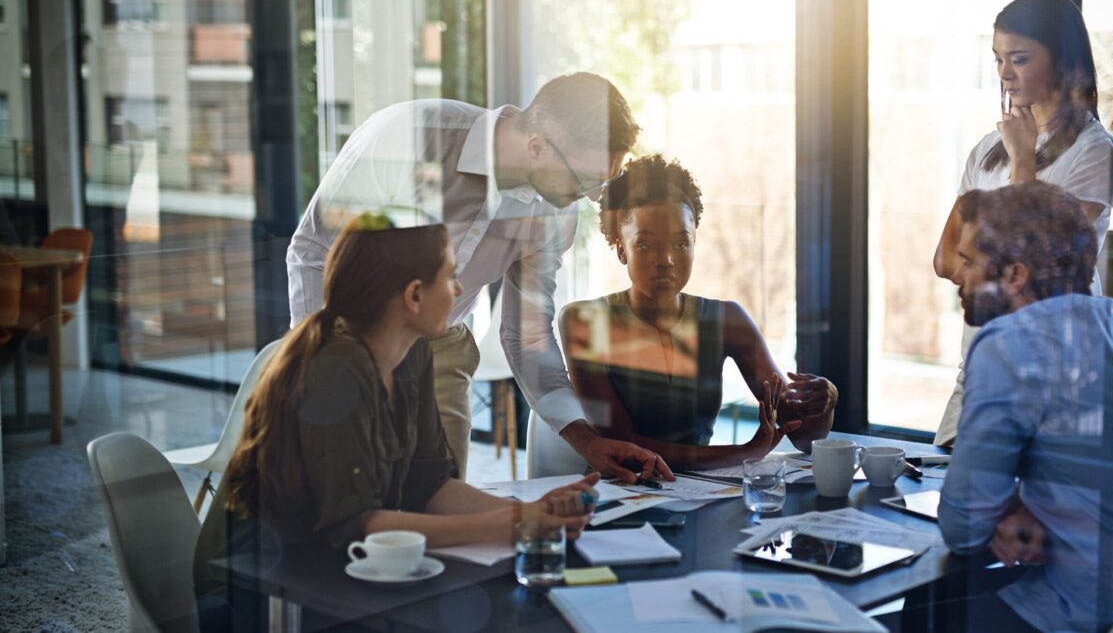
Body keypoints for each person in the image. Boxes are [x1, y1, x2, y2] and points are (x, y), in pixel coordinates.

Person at [194, 215, 599, 617]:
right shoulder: (337, 366)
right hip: (257, 594)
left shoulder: (412, 354)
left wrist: (529, 512)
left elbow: (431, 486)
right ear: (414, 296)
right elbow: (356, 527)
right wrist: (518, 524)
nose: (460, 289)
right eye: (450, 276)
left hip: (329, 578)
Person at [286, 72, 673, 483]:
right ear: (537, 147)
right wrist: (325, 361)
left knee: (442, 495)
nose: (592, 197)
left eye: (603, 182)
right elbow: (313, 252)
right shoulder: (412, 136)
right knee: (344, 490)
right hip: (350, 335)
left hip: (442, 347)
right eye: (587, 181)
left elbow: (527, 335)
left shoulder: (554, 213)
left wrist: (587, 441)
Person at [937, 182, 1113, 632]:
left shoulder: (1010, 343)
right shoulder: (1112, 330)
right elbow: (1084, 468)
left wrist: (1001, 508)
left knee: (927, 611)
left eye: (969, 261)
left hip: (1097, 610)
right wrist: (1025, 505)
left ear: (1014, 276)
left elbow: (962, 527)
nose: (958, 275)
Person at [932, 0, 1113, 446]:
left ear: (1061, 61)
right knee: (944, 476)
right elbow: (945, 260)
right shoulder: (987, 150)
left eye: (1018, 59)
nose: (1004, 74)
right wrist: (996, 266)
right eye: (998, 59)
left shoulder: (1096, 152)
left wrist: (1023, 159)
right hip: (981, 362)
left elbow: (1035, 264)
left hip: (1055, 370)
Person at [560, 155, 836, 471]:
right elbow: (626, 448)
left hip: (701, 491)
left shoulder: (727, 320)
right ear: (621, 248)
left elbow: (802, 437)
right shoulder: (584, 322)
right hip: (620, 491)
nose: (666, 260)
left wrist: (823, 405)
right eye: (646, 245)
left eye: (680, 244)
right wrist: (745, 453)